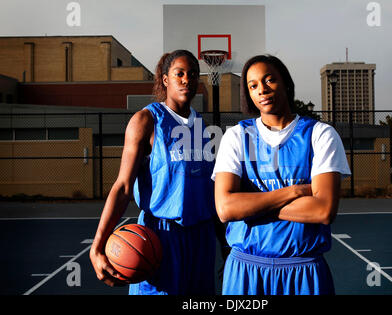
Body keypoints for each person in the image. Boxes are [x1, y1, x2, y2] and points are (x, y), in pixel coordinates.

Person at [213, 54, 351, 295]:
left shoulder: (320, 135)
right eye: (253, 85)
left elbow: (323, 210)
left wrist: (250, 205)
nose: (262, 90)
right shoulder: (236, 136)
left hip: (303, 271)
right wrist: (294, 192)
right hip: (245, 270)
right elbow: (226, 209)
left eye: (269, 80)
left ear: (286, 83)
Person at [90, 50, 223, 295]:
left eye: (193, 74)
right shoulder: (147, 120)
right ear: (165, 79)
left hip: (202, 239)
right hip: (161, 237)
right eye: (179, 73)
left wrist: (224, 247)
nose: (186, 80)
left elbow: (212, 193)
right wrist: (97, 246)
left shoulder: (203, 126)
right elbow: (123, 187)